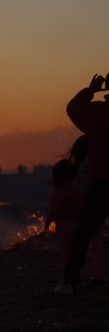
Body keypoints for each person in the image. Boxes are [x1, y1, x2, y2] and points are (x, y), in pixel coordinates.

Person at [62, 74, 109, 292]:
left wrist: (90, 90)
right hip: (101, 182)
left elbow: (73, 108)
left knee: (84, 233)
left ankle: (72, 280)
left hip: (103, 183)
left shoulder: (99, 114)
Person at [45, 159, 102, 291]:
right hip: (77, 223)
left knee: (66, 254)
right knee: (78, 251)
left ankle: (68, 281)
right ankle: (81, 277)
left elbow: (55, 210)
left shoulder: (58, 193)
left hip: (64, 226)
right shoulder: (77, 192)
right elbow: (82, 207)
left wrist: (48, 221)